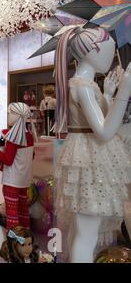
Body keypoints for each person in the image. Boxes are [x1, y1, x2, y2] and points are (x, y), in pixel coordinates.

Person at [53, 27, 131, 262]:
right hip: (90, 158)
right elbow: (105, 131)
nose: (113, 53)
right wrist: (125, 91)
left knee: (83, 231)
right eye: (111, 48)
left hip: (88, 155)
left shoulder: (86, 84)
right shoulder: (83, 86)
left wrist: (107, 96)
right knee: (86, 233)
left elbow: (102, 123)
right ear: (95, 49)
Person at [0, 102, 36, 230]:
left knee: (12, 212)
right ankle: (25, 234)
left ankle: (13, 240)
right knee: (23, 209)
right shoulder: (29, 135)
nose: (7, 115)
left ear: (17, 116)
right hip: (24, 180)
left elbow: (8, 160)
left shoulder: (14, 138)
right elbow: (31, 156)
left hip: (12, 180)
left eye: (9, 113)